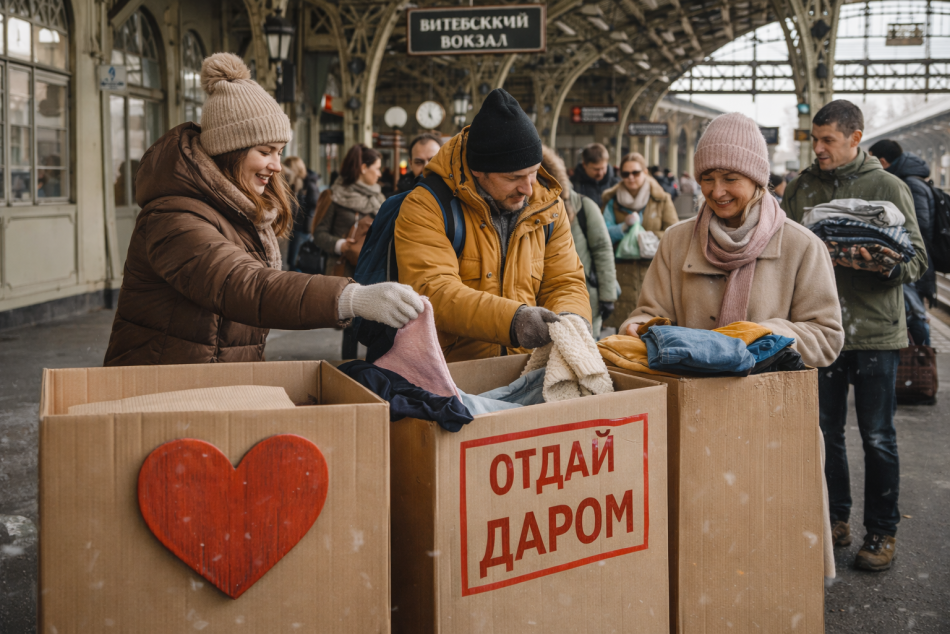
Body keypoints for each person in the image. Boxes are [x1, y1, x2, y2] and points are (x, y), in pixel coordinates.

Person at [103, 53, 423, 366]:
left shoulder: (237, 209)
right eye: (265, 151)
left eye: (280, 152)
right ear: (230, 149)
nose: (277, 166)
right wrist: (350, 298)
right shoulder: (174, 216)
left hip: (208, 381)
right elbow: (243, 284)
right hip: (160, 388)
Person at [782, 100, 928, 571]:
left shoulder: (888, 186)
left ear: (855, 138)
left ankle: (882, 532)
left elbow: (917, 261)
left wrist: (876, 262)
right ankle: (835, 519)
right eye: (814, 139)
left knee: (878, 435)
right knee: (823, 433)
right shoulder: (803, 187)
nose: (818, 148)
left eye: (828, 140)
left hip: (875, 334)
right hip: (820, 333)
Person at [619, 112, 843, 368]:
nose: (717, 191)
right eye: (707, 179)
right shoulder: (676, 240)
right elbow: (648, 314)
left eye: (730, 179)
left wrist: (759, 337)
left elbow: (826, 338)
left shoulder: (802, 246)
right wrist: (638, 327)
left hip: (767, 401)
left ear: (756, 179)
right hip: (689, 397)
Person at [394, 88, 592, 362]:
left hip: (527, 368)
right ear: (478, 171)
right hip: (451, 375)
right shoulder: (426, 206)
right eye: (513, 178)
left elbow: (565, 281)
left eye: (534, 173)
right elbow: (434, 291)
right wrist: (515, 321)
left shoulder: (549, 207)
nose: (529, 189)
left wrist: (572, 317)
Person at [314, 143, 386, 359]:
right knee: (350, 323)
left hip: (373, 268)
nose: (380, 173)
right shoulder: (335, 196)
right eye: (377, 168)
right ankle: (349, 368)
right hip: (345, 268)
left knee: (376, 321)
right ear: (363, 168)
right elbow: (319, 233)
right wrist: (340, 245)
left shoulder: (379, 199)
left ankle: (373, 369)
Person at [540, 145, 619, 335]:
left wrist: (608, 295)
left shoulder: (583, 207)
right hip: (540, 302)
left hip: (585, 296)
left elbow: (602, 248)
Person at [868, 139, 936, 346]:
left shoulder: (909, 184)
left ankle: (922, 359)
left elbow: (921, 224)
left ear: (882, 162)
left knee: (915, 314)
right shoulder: (906, 179)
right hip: (906, 256)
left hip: (912, 258)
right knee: (913, 312)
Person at [602, 152, 678, 329]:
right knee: (624, 327)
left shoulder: (661, 199)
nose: (630, 178)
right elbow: (602, 235)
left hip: (653, 271)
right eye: (625, 174)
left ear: (645, 172)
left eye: (635, 172)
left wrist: (647, 238)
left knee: (650, 325)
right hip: (621, 271)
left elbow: (674, 232)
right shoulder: (612, 201)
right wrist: (623, 228)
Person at [283, 156, 321, 271]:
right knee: (292, 261)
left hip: (302, 229)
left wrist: (307, 228)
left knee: (296, 262)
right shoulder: (297, 183)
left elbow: (314, 206)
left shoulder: (308, 185)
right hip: (296, 228)